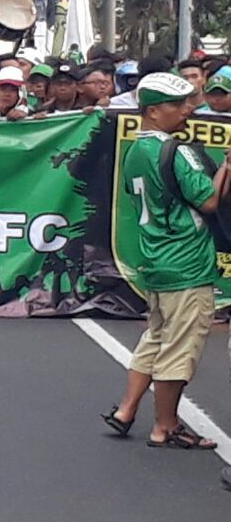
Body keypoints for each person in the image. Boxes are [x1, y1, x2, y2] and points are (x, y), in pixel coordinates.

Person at [101, 73, 225, 452]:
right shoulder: (176, 150)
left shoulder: (135, 150)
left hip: (154, 258)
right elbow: (208, 201)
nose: (187, 110)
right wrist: (227, 169)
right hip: (185, 262)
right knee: (179, 347)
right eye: (177, 105)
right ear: (153, 111)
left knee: (155, 336)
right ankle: (166, 426)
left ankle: (127, 409)